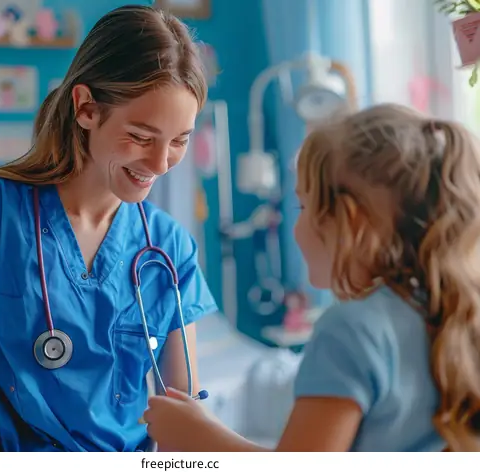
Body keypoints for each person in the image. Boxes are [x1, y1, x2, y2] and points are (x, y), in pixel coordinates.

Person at [0, 5, 218, 452]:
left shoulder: (169, 249)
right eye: (142, 137)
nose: (160, 163)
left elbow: (184, 419)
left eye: (180, 141)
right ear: (86, 108)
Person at [142, 103, 480, 452]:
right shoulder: (455, 311)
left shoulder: (352, 329)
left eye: (303, 207)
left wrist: (198, 434)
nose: (296, 227)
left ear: (349, 222)